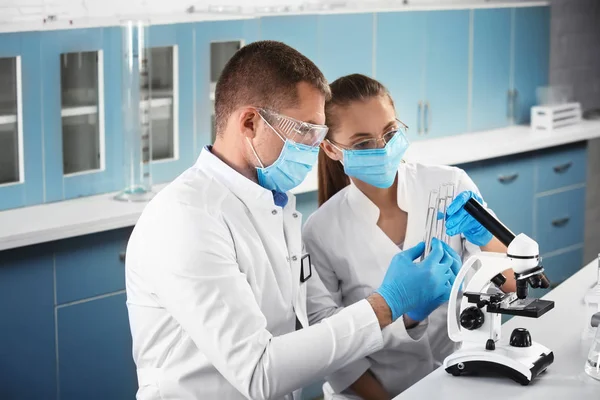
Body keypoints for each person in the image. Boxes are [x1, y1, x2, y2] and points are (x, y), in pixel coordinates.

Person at [125, 42, 460, 400]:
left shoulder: (275, 206)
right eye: (306, 131)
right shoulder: (185, 218)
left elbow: (305, 336)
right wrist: (386, 304)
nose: (317, 147)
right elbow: (258, 372)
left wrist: (406, 317)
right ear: (250, 122)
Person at [302, 74, 517, 400]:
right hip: (376, 392)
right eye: (362, 143)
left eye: (389, 132)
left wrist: (486, 237)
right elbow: (332, 350)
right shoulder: (320, 231)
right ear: (331, 149)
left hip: (462, 377)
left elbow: (514, 284)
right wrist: (409, 316)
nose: (383, 148)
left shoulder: (450, 186)